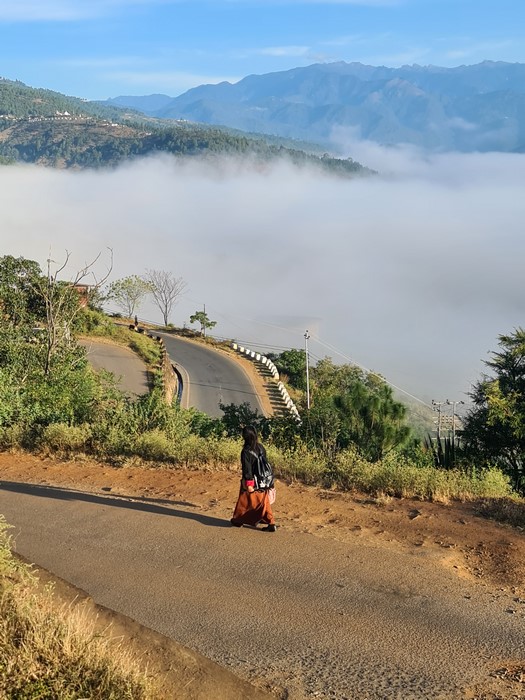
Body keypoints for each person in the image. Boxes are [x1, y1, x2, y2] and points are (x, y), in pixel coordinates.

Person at [230, 425, 276, 532]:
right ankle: (271, 522)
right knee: (263, 502)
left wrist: (249, 484)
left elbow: (247, 469)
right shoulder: (260, 447)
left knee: (244, 500)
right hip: (264, 480)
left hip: (253, 481)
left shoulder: (246, 451)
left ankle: (238, 520)